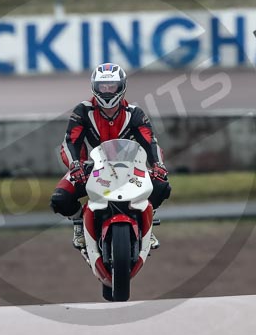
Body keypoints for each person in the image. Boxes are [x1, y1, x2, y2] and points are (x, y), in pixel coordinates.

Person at [49, 63, 171, 249]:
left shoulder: (135, 113)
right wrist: (75, 165)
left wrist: (158, 165)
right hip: (92, 168)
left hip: (129, 168)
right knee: (60, 198)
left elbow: (150, 142)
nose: (106, 92)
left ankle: (146, 224)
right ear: (94, 87)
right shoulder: (82, 111)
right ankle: (79, 223)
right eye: (102, 87)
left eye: (111, 86)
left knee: (162, 185)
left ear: (121, 87)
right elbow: (69, 142)